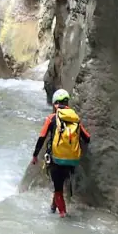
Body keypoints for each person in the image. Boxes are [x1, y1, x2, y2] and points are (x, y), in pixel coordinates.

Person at [31, 88, 91, 217]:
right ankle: (53, 207)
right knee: (60, 184)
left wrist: (35, 155)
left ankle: (63, 215)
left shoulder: (52, 118)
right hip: (72, 160)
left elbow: (42, 137)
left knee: (58, 189)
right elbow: (87, 137)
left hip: (56, 159)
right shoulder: (75, 119)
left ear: (54, 103)